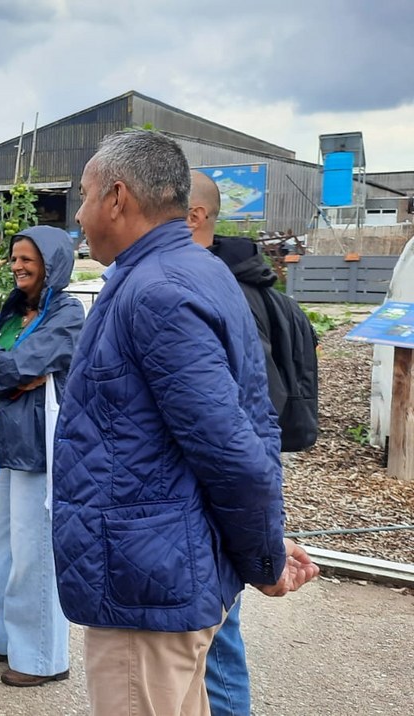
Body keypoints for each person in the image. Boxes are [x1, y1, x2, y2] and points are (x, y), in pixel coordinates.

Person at [52, 130, 318, 716]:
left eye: (85, 196)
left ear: (117, 198)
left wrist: (265, 558)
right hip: (164, 567)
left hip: (147, 586)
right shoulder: (195, 270)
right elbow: (243, 423)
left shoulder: (157, 291)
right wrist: (263, 542)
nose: (80, 214)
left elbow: (232, 450)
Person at [187, 171, 320, 716]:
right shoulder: (249, 282)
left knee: (218, 633)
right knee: (217, 626)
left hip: (223, 482)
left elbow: (244, 415)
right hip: (238, 478)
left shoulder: (220, 292)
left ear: (194, 216)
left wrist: (262, 532)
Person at [0, 226, 84, 687]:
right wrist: (7, 371)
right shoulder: (11, 311)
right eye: (14, 258)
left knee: (34, 548)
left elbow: (22, 363)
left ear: (52, 264)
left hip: (35, 442)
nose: (17, 266)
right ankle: (8, 637)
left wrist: (2, 367)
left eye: (27, 258)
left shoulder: (67, 313)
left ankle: (42, 658)